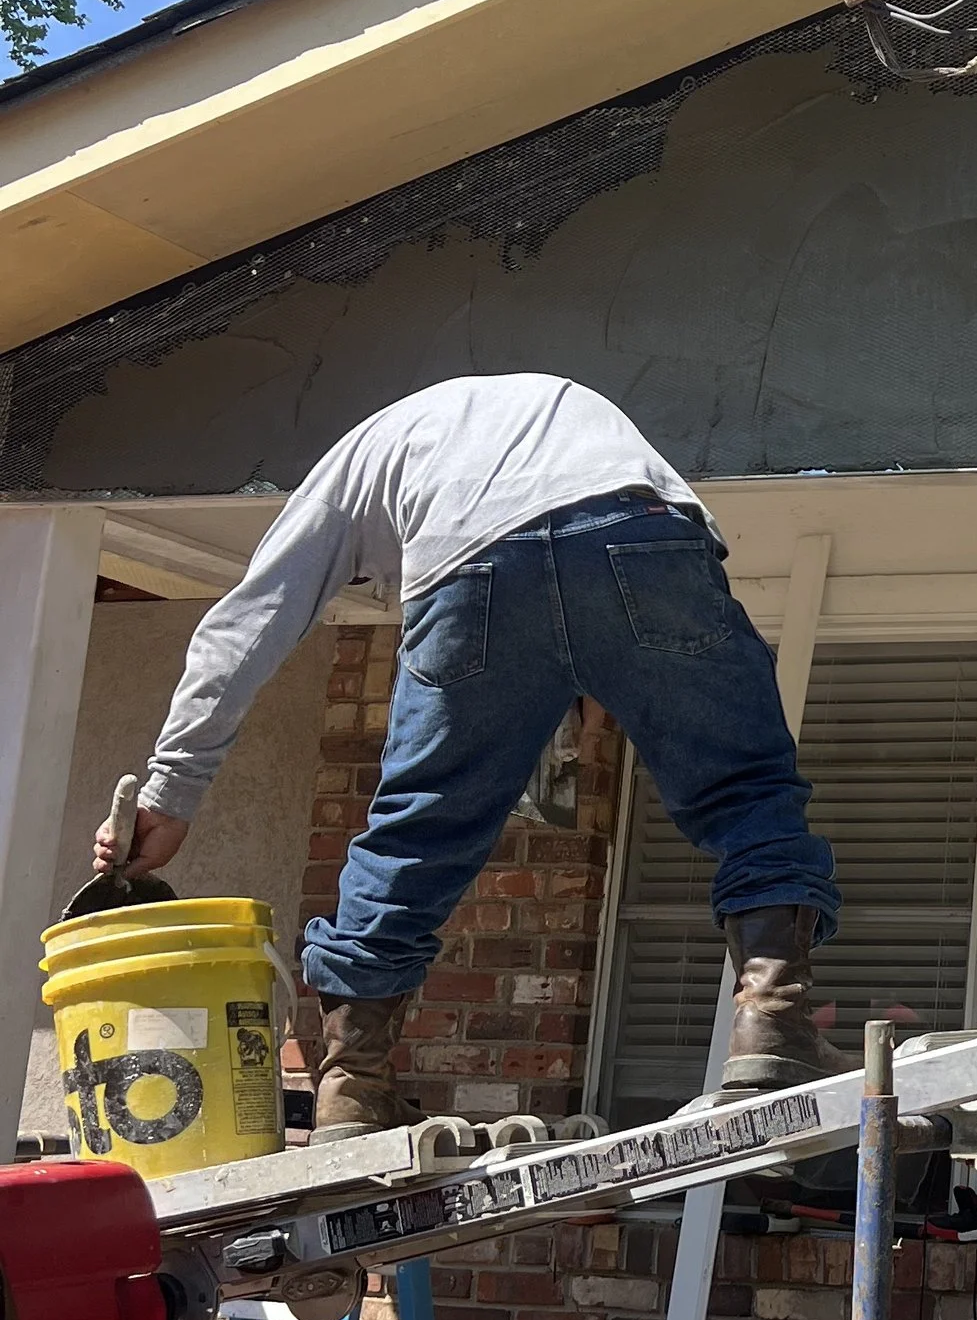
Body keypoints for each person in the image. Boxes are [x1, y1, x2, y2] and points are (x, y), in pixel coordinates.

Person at [99, 373, 838, 1136]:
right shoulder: (546, 411)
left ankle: (352, 1079)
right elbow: (581, 595)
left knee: (418, 831)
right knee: (744, 787)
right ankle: (772, 1021)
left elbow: (248, 626)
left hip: (471, 565)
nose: (376, 584)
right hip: (643, 529)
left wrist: (171, 791)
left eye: (367, 577)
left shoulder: (356, 461)